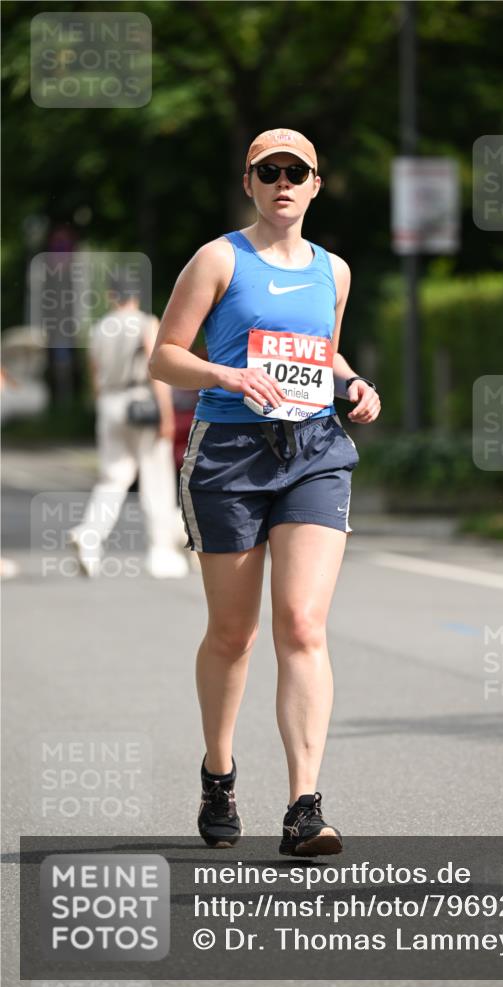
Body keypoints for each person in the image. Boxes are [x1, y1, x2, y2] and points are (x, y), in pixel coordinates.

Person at [149, 127, 381, 857]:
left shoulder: (333, 272)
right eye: (267, 170)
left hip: (313, 453)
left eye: (297, 170)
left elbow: (324, 349)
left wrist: (350, 383)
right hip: (230, 458)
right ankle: (218, 774)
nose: (283, 181)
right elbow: (165, 356)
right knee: (233, 633)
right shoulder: (219, 259)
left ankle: (304, 807)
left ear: (316, 184)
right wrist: (224, 376)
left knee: (303, 625)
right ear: (249, 182)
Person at [66, 279, 189, 579]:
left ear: (111, 296)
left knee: (113, 477)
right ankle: (161, 553)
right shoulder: (146, 322)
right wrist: (167, 414)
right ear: (135, 295)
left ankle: (90, 534)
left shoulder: (100, 328)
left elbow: (94, 372)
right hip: (140, 402)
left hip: (109, 402)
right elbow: (155, 366)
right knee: (155, 477)